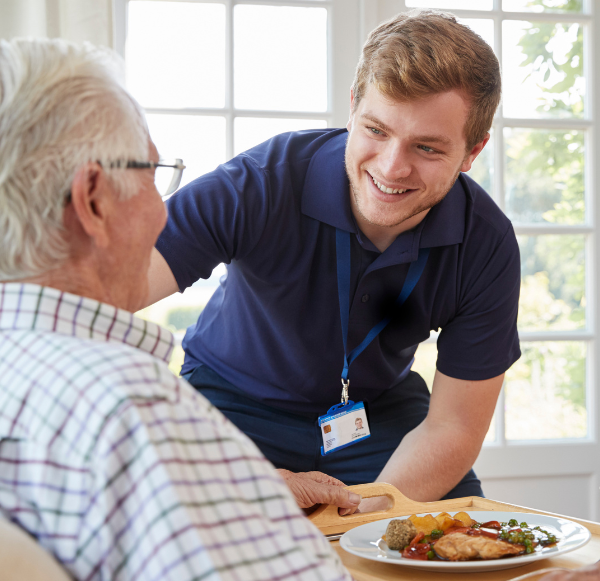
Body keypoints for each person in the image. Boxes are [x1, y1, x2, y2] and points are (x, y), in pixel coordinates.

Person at [0, 37, 353, 580]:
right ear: (93, 200)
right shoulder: (129, 406)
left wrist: (223, 487)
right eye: (150, 175)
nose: (164, 213)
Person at [148, 9, 521, 505]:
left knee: (450, 548)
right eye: (376, 130)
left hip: (378, 415)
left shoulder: (486, 242)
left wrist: (362, 517)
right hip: (231, 404)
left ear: (473, 151)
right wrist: (243, 486)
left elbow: (453, 427)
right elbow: (93, 288)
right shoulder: (260, 183)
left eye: (427, 147)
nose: (392, 167)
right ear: (352, 109)